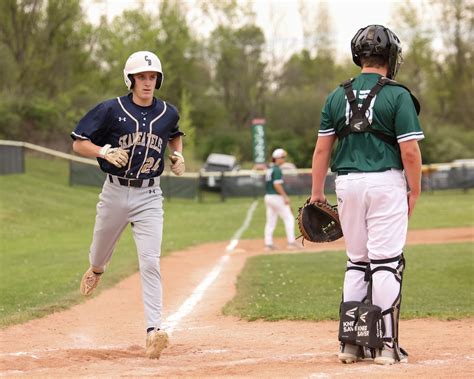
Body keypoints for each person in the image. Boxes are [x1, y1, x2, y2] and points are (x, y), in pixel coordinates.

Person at [310, 25, 423, 365]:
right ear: (391, 57)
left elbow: (320, 151)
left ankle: (350, 344)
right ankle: (387, 347)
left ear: (358, 56)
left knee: (357, 261)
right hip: (385, 183)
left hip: (346, 184)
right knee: (386, 261)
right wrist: (414, 190)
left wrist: (317, 193)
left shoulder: (335, 95)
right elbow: (411, 152)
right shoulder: (398, 95)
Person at [70, 51, 185, 359]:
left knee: (150, 261)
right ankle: (97, 268)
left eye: (152, 77)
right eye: (141, 77)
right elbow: (78, 141)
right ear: (130, 79)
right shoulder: (111, 110)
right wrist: (104, 152)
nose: (147, 82)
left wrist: (179, 155)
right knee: (98, 252)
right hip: (115, 193)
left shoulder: (167, 113)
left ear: (158, 80)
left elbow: (174, 136)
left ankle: (153, 332)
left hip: (149, 195)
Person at [264, 148, 298, 250]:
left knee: (271, 221)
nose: (284, 159)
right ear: (277, 158)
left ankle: (268, 244)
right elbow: (277, 185)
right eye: (282, 157)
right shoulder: (277, 169)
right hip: (275, 197)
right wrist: (285, 196)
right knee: (289, 218)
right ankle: (291, 243)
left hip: (268, 197)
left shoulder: (270, 168)